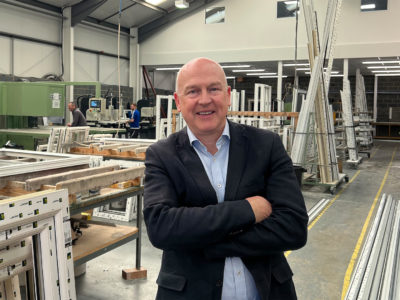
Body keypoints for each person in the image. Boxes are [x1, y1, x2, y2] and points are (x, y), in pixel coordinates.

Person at [143, 57, 308, 300]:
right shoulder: (162, 155)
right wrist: (248, 210)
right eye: (193, 91)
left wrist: (205, 241)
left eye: (213, 89)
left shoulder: (266, 145)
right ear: (178, 101)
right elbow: (161, 227)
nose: (204, 99)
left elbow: (293, 228)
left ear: (228, 95)